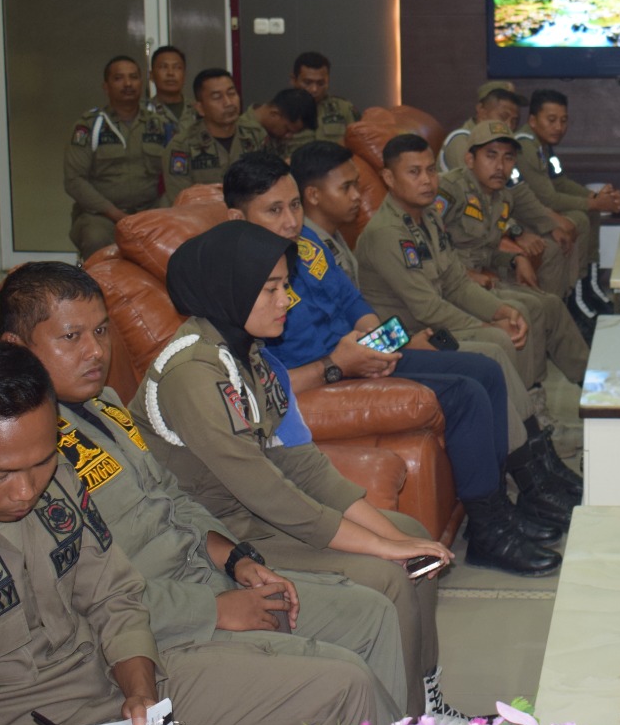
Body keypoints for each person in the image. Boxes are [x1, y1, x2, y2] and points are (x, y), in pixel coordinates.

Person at [0, 338, 318, 725]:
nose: (26, 491)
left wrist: (140, 688)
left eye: (41, 462)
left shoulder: (60, 480)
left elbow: (114, 594)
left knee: (340, 688)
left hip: (126, 684)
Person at [0, 262, 407, 725]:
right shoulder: (24, 459)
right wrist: (213, 609)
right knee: (346, 679)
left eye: (102, 331)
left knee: (372, 614)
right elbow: (90, 595)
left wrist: (237, 560)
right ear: (17, 347)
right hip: (158, 627)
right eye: (71, 337)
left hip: (203, 575)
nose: (95, 351)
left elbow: (173, 497)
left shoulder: (105, 405)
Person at [132, 220, 466, 721]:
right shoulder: (193, 372)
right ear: (230, 291)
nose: (286, 300)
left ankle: (426, 703)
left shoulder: (250, 355)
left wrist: (393, 537)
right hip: (220, 534)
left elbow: (302, 464)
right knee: (388, 575)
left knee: (412, 537)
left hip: (255, 516)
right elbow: (264, 489)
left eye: (285, 286)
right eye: (270, 289)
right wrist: (381, 548)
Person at [222, 150, 567, 576]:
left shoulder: (306, 245)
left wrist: (377, 342)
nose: (291, 221)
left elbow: (353, 302)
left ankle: (501, 506)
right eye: (274, 211)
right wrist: (337, 365)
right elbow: (258, 385)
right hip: (321, 380)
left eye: (294, 205)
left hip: (355, 357)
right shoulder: (238, 284)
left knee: (484, 368)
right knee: (464, 393)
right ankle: (488, 531)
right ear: (237, 218)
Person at [357, 134, 548, 395]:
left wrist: (502, 312)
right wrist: (487, 326)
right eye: (414, 172)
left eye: (431, 170)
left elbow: (457, 283)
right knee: (495, 341)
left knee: (512, 321)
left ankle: (528, 404)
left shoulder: (429, 216)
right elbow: (427, 308)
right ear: (389, 178)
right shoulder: (386, 233)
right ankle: (522, 419)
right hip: (407, 339)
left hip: (431, 328)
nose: (427, 180)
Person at [440, 121, 590, 385]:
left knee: (551, 304)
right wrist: (465, 274)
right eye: (491, 156)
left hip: (483, 278)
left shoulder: (502, 198)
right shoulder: (449, 190)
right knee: (524, 309)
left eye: (508, 158)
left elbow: (485, 251)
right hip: (453, 284)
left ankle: (592, 384)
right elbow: (430, 246)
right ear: (470, 159)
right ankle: (531, 392)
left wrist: (515, 258)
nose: (500, 166)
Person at [515, 89, 620, 319]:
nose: (559, 127)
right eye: (551, 120)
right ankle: (575, 296)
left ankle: (589, 286)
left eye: (563, 121)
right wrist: (595, 203)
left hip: (542, 210)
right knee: (581, 217)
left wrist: (594, 199)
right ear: (532, 120)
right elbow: (548, 198)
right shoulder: (525, 147)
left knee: (589, 211)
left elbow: (560, 182)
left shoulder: (543, 145)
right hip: (527, 216)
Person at [63, 56, 174, 260]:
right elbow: (74, 180)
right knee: (95, 237)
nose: (128, 84)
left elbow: (177, 171)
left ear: (142, 82)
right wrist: (116, 214)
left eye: (134, 77)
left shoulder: (161, 124)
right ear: (106, 86)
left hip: (150, 210)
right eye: (119, 78)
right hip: (102, 216)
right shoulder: (90, 125)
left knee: (174, 233)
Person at [162, 68, 267, 203]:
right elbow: (182, 202)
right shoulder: (181, 147)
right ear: (200, 108)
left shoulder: (255, 135)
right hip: (202, 215)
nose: (228, 102)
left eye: (231, 93)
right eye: (217, 97)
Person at [440, 80, 525, 171]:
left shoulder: (508, 143)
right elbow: (474, 178)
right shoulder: (461, 140)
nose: (509, 125)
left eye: (515, 121)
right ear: (481, 110)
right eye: (503, 117)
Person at [290, 51, 360, 145]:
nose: (314, 89)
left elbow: (360, 144)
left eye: (321, 83)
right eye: (307, 83)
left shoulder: (344, 109)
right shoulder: (281, 111)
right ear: (294, 80)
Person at [243, 86, 318, 156]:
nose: (289, 136)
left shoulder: (273, 134)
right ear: (274, 114)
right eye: (287, 130)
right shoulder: (242, 132)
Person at [149, 44, 191, 126]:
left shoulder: (199, 111)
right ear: (151, 75)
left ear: (184, 75)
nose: (170, 73)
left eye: (177, 67)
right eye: (163, 67)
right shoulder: (143, 112)